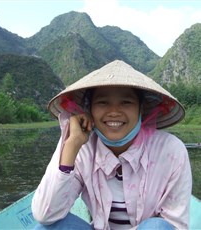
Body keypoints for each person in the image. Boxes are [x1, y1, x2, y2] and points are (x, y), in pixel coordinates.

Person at [32, 60, 192, 230]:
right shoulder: (82, 147)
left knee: (157, 227)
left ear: (141, 109)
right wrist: (70, 145)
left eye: (126, 102)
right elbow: (45, 214)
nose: (114, 112)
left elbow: (175, 225)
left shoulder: (171, 150)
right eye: (103, 102)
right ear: (89, 110)